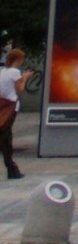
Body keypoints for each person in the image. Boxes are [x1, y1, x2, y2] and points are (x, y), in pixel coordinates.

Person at [1, 47, 30, 180]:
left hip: (2, 105)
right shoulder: (15, 72)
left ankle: (12, 168)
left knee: (6, 137)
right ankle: (12, 169)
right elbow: (19, 90)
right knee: (5, 138)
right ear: (18, 59)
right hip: (11, 107)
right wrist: (24, 78)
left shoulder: (3, 71)